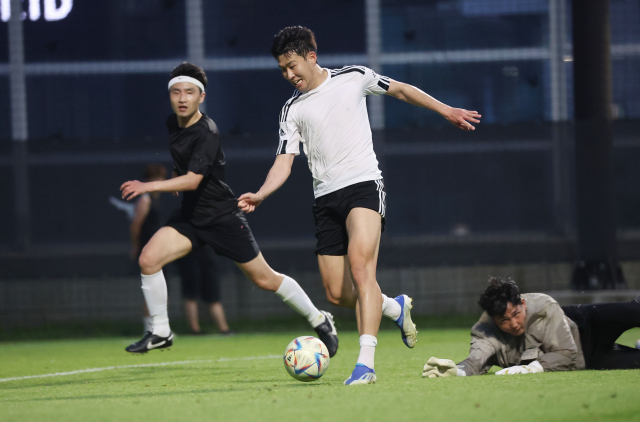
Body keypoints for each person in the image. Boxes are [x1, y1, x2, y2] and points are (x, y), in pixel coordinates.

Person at [238, 26, 481, 385]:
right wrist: (261, 193)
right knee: (336, 293)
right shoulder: (291, 110)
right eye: (282, 70)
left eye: (292, 66)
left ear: (311, 57)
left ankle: (365, 366)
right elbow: (284, 161)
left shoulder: (353, 77)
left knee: (361, 269)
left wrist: (445, 109)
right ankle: (393, 306)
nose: (289, 75)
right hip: (326, 200)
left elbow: (400, 89)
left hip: (364, 187)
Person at [120, 62, 338, 355]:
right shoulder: (174, 123)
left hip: (221, 216)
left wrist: (149, 186)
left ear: (202, 96)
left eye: (189, 92)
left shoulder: (207, 131)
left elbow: (195, 180)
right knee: (148, 259)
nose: (182, 98)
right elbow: (183, 166)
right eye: (176, 92)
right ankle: (160, 330)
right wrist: (174, 178)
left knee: (265, 279)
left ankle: (319, 318)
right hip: (190, 217)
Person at [422, 277, 640, 378]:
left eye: (516, 314)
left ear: (522, 303)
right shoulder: (485, 330)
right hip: (588, 358)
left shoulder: (543, 305)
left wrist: (531, 368)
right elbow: (476, 361)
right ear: (493, 320)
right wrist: (457, 371)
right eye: (504, 321)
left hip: (586, 324)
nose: (514, 324)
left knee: (634, 311)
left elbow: (566, 351)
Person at [129, 164, 168, 333]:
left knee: (160, 289)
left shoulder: (155, 198)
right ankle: (149, 329)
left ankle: (159, 328)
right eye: (161, 178)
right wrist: (136, 246)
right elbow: (135, 225)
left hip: (159, 251)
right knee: (151, 289)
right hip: (149, 251)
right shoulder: (145, 199)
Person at [176, 245, 234, 335]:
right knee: (191, 295)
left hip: (208, 257)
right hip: (188, 258)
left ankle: (224, 329)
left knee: (214, 297)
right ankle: (195, 330)